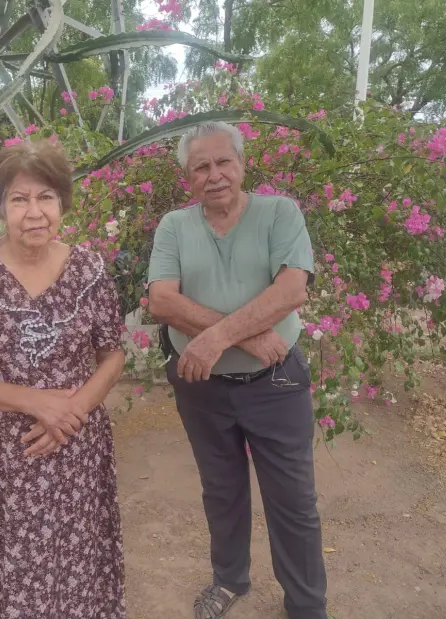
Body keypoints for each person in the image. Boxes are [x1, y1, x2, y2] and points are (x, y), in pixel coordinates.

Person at [0, 140, 127, 619]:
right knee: (3, 574)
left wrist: (70, 412)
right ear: (0, 207)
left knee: (76, 568)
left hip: (75, 452)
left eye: (46, 198)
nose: (34, 212)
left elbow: (113, 355)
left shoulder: (90, 270)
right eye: (19, 199)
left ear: (62, 204)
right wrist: (36, 402)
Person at [147, 122, 327, 619]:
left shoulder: (279, 213)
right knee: (221, 490)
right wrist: (244, 333)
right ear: (188, 177)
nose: (214, 175)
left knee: (292, 502)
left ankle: (307, 608)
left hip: (277, 384)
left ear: (242, 165)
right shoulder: (174, 226)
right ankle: (230, 581)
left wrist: (216, 337)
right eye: (200, 167)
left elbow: (291, 291)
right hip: (203, 388)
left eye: (224, 162)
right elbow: (162, 299)